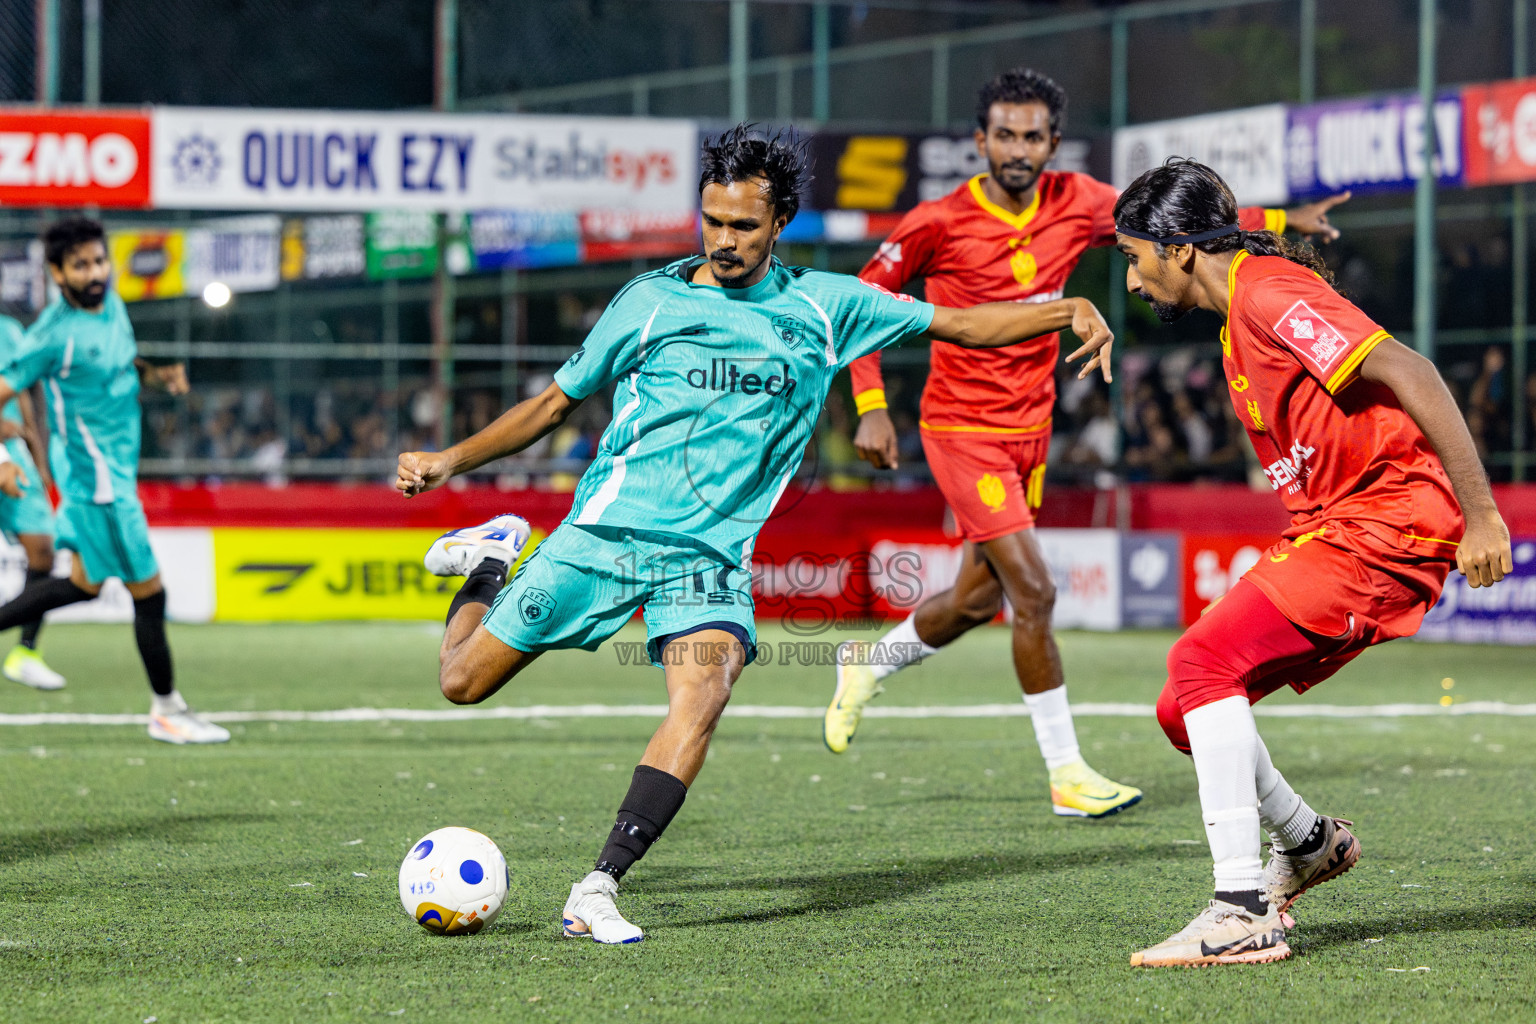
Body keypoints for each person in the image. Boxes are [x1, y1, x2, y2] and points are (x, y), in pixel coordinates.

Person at [395, 125, 1116, 945]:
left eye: (743, 225)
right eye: (712, 221)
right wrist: (451, 459)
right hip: (606, 534)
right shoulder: (651, 300)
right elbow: (553, 405)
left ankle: (598, 886)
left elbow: (962, 325)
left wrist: (1068, 307)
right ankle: (493, 560)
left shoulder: (828, 304)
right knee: (461, 681)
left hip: (708, 563)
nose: (724, 240)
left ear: (780, 223)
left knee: (703, 696)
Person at [824, 67, 1352, 819]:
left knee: (979, 600)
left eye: (1032, 136)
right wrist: (872, 406)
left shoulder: (1078, 202)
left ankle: (868, 661)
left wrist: (1286, 221)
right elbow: (861, 309)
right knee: (1034, 590)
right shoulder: (936, 221)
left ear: (1053, 143)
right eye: (1004, 134)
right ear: (980, 141)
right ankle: (1066, 773)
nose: (1018, 148)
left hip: (1030, 431)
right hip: (960, 430)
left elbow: (1180, 228)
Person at [1112, 159, 1510, 967]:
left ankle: (1240, 910)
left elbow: (1411, 370)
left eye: (1133, 255)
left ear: (1179, 250)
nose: (1132, 279)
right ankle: (1305, 842)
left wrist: (1484, 513)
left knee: (1201, 658)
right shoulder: (1241, 308)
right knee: (1180, 708)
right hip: (1343, 529)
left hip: (1386, 526)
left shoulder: (1263, 295)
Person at [0, 218, 229, 744]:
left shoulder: (113, 305)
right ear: (57, 273)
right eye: (80, 265)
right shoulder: (51, 334)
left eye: (99, 260)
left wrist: (157, 375)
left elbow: (124, 364)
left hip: (113, 474)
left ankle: (168, 709)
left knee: (82, 585)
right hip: (98, 483)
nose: (96, 272)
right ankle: (168, 709)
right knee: (149, 591)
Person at [0, 313, 66, 689]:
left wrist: (38, 455)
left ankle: (25, 651)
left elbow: (22, 390)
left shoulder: (9, 331)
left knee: (43, 550)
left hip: (12, 449)